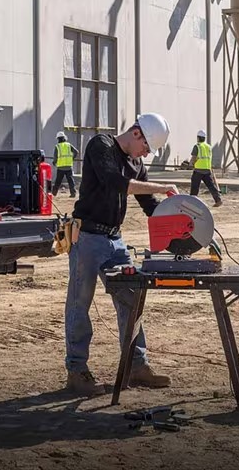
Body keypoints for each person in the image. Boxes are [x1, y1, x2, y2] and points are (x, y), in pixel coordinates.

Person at [65, 113, 178, 397]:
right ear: (137, 133)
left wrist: (179, 224)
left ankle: (137, 366)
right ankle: (77, 371)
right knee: (80, 304)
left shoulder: (137, 164)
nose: (146, 154)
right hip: (87, 238)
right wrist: (163, 186)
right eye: (147, 147)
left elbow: (149, 205)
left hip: (115, 240)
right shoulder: (100, 145)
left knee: (131, 300)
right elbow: (116, 183)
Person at [189, 129, 222, 207]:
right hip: (207, 170)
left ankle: (192, 203)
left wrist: (191, 164)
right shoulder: (208, 147)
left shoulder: (197, 146)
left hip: (198, 170)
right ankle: (218, 200)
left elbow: (194, 157)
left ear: (198, 138)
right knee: (211, 186)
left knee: (195, 187)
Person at [52, 131, 79, 197]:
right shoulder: (68, 145)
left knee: (58, 181)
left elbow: (55, 157)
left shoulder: (57, 146)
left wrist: (54, 162)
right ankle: (73, 193)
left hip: (60, 167)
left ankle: (54, 193)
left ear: (58, 139)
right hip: (69, 166)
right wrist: (72, 158)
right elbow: (76, 152)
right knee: (71, 181)